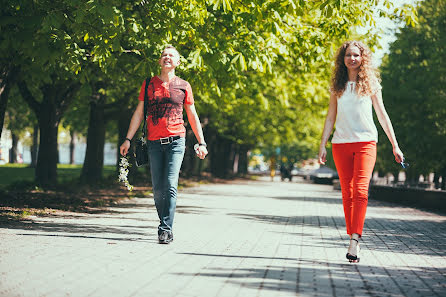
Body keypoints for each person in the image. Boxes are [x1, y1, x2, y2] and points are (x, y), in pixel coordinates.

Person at [318, 40, 404, 263]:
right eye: (348, 55)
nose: (352, 59)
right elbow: (330, 117)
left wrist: (395, 144)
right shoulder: (337, 85)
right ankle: (353, 235)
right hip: (341, 144)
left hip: (366, 143)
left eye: (356, 55)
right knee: (347, 193)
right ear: (343, 59)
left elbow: (382, 115)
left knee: (361, 191)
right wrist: (322, 144)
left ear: (362, 58)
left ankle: (353, 241)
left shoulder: (371, 83)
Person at [120, 45, 208, 244]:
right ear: (160, 62)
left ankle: (165, 228)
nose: (167, 58)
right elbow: (139, 113)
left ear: (177, 62)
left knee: (170, 184)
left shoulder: (184, 86)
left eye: (171, 56)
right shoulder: (149, 84)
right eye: (164, 55)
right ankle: (164, 224)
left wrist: (201, 142)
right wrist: (128, 138)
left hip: (177, 141)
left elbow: (192, 116)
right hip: (153, 142)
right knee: (158, 188)